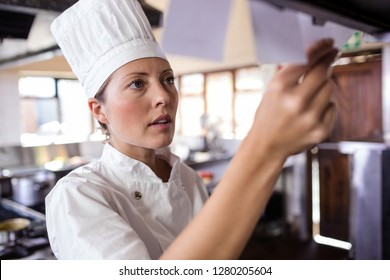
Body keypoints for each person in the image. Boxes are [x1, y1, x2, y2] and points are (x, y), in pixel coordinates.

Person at [45, 0, 338, 260]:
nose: (163, 96)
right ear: (99, 110)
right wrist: (265, 147)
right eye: (137, 83)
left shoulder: (187, 178)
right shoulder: (78, 197)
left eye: (168, 79)